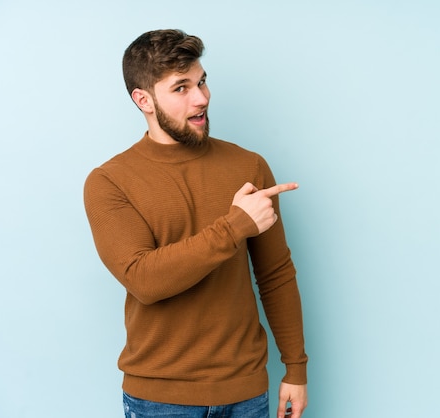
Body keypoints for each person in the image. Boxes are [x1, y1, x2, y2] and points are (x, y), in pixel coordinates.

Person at [83, 29, 308, 418]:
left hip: (247, 392)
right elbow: (145, 280)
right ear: (144, 100)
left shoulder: (248, 166)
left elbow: (275, 274)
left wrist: (296, 369)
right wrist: (235, 225)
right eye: (181, 87)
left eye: (202, 81)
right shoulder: (109, 182)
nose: (201, 97)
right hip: (159, 400)